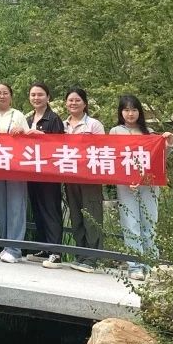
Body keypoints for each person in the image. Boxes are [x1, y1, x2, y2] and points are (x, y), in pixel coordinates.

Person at [111, 94, 173, 281]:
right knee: (130, 223)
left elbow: (159, 159)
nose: (130, 114)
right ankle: (135, 264)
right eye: (126, 110)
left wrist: (168, 144)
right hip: (126, 185)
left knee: (149, 222)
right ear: (121, 112)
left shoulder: (150, 133)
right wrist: (125, 178)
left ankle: (151, 263)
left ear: (140, 112)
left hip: (148, 183)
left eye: (134, 110)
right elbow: (112, 158)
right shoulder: (115, 132)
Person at [59, 87, 106, 273]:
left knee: (92, 215)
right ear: (66, 103)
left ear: (85, 103)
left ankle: (92, 258)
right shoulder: (62, 125)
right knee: (76, 215)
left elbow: (102, 149)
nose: (73, 103)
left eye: (77, 100)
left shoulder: (94, 125)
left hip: (90, 177)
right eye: (70, 100)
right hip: (70, 176)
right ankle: (80, 254)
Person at [0, 82, 29, 264]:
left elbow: (30, 139)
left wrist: (22, 131)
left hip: (16, 166)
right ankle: (6, 245)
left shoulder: (18, 114)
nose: (2, 96)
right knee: (2, 205)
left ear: (11, 96)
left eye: (5, 93)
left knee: (16, 205)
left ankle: (15, 249)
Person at [24, 82, 65, 266]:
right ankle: (44, 247)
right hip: (32, 169)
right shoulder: (27, 119)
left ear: (48, 97)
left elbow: (60, 145)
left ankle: (56, 252)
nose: (36, 98)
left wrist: (43, 137)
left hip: (49, 172)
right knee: (38, 209)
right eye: (33, 95)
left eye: (40, 95)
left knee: (51, 209)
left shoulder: (53, 119)